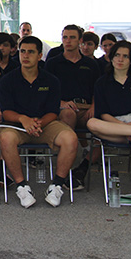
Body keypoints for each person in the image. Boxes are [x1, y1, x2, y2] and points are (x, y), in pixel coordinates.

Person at [0, 36, 78, 208]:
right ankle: (22, 186)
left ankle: (56, 185)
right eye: (22, 52)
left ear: (40, 55)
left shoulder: (51, 80)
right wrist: (24, 119)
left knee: (70, 138)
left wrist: (38, 123)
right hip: (17, 125)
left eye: (31, 52)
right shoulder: (7, 80)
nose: (25, 56)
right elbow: (6, 112)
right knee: (6, 139)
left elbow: (53, 111)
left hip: (45, 124)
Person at [86, 40, 131, 212]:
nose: (120, 59)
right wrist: (126, 127)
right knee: (91, 123)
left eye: (125, 56)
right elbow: (103, 114)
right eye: (117, 55)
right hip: (113, 124)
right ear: (111, 58)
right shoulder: (102, 82)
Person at [45, 25, 99, 190]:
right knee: (68, 115)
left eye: (72, 37)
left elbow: (98, 90)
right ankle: (65, 174)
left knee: (102, 129)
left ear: (80, 40)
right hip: (63, 108)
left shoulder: (91, 64)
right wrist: (60, 103)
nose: (67, 41)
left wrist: (94, 107)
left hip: (86, 108)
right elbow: (47, 90)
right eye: (65, 37)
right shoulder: (53, 63)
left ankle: (81, 169)